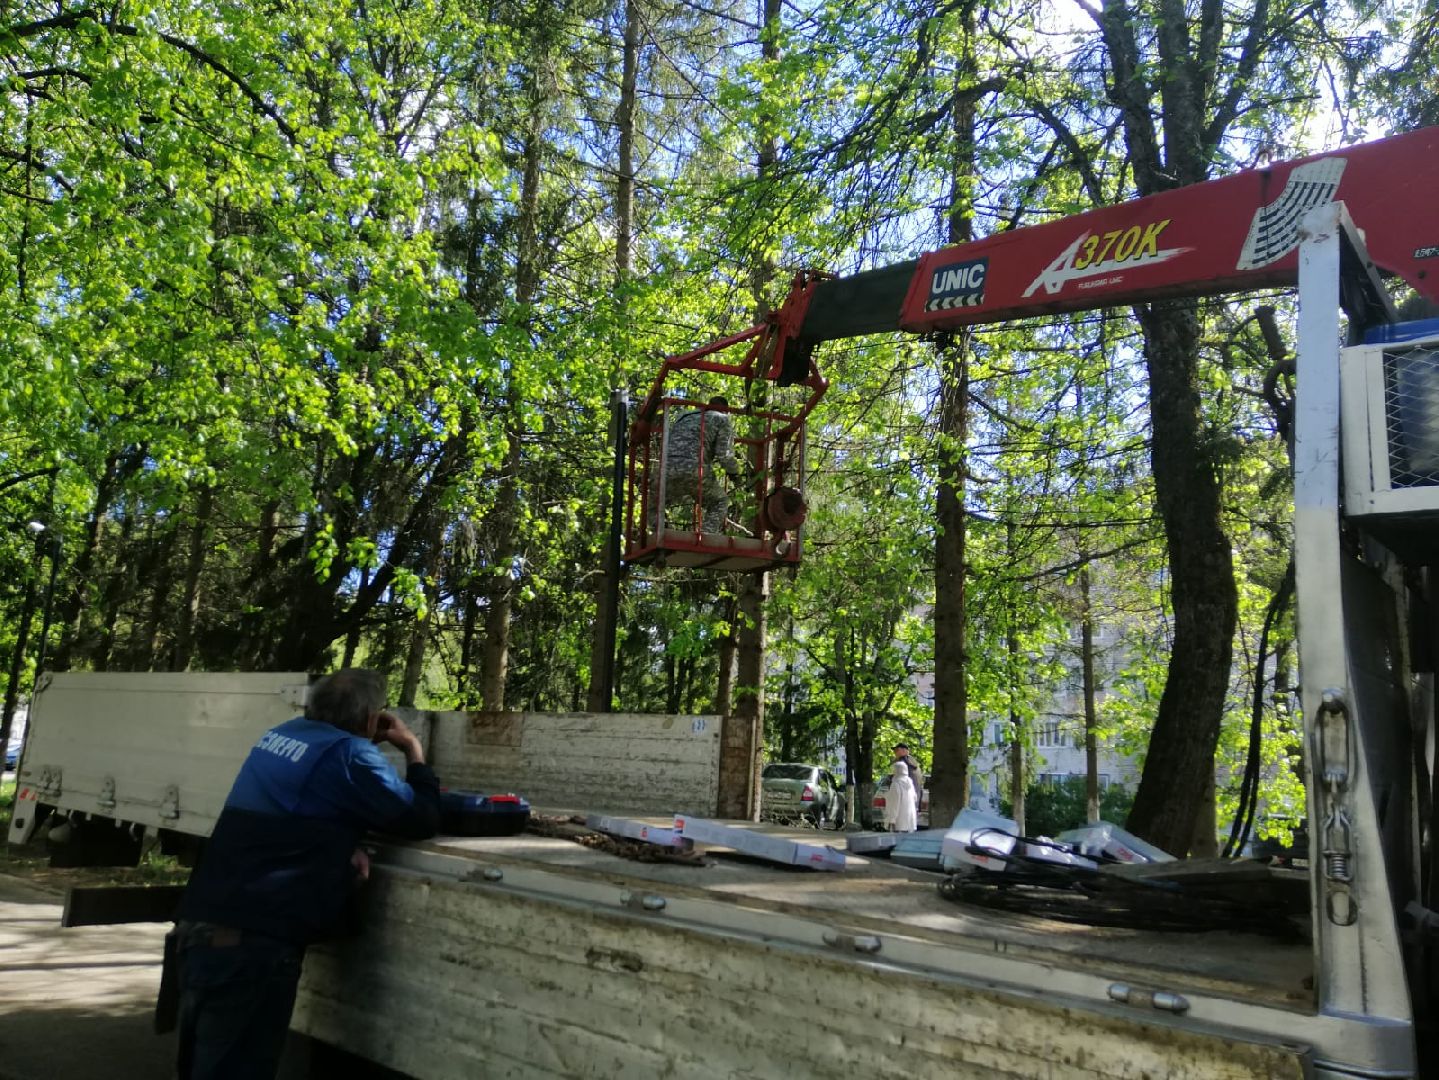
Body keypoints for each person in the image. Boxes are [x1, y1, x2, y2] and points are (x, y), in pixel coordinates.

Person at [168, 668, 441, 1079]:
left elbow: (291, 806)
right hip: (252, 949)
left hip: (203, 929)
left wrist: (340, 842)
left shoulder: (279, 736)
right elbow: (419, 818)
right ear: (371, 718)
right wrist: (414, 752)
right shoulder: (350, 754)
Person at [658, 395, 741, 533]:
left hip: (667, 467)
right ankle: (705, 536)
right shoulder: (722, 419)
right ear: (725, 410)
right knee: (720, 501)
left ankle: (658, 532)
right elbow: (724, 455)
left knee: (661, 500)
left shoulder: (684, 416)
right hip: (694, 470)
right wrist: (734, 473)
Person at [885, 752, 918, 833]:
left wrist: (892, 820)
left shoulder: (896, 784)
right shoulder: (910, 783)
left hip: (899, 822)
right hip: (910, 821)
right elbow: (915, 798)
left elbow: (894, 804)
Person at [894, 743, 924, 816]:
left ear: (904, 751)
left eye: (897, 750)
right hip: (914, 799)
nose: (895, 753)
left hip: (905, 800)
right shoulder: (912, 761)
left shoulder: (902, 763)